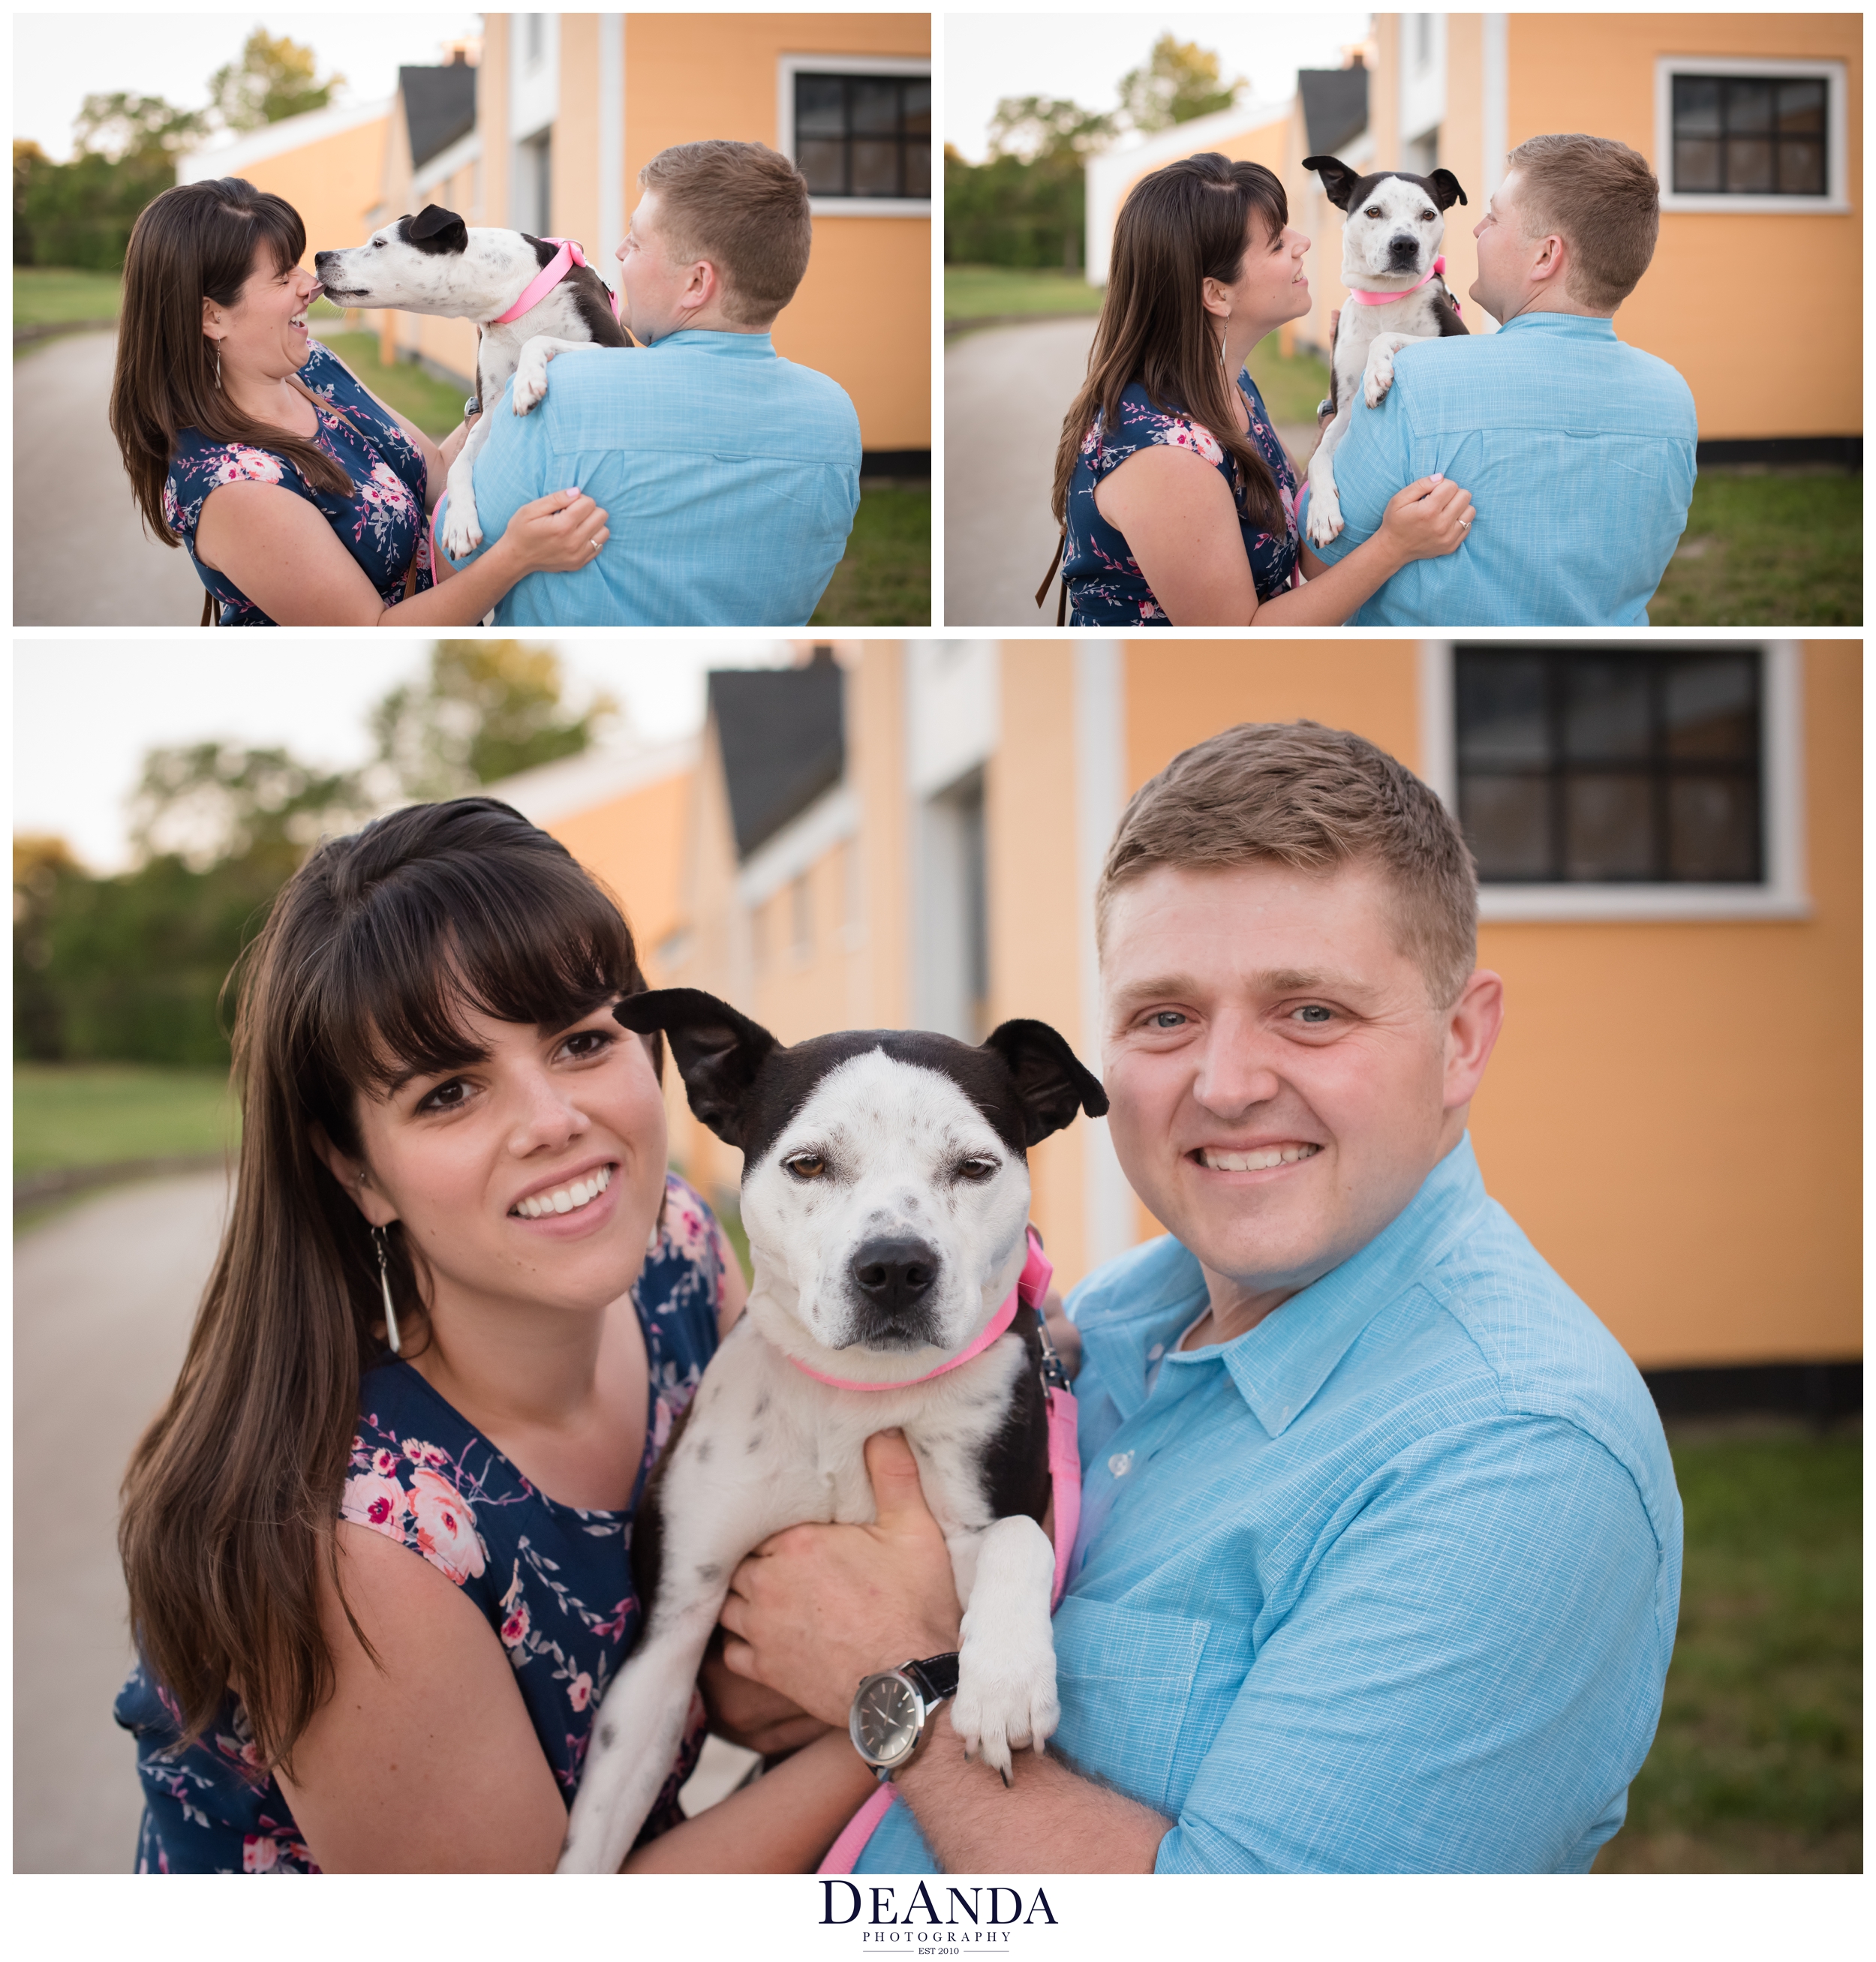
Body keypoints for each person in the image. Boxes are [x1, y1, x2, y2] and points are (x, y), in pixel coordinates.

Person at [711, 721, 1684, 1873]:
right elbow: (767, 1649)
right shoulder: (1097, 1320)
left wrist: (898, 1685)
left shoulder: (1515, 1456)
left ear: (1462, 1039)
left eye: (1312, 1010)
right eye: (1165, 1016)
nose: (1225, 1086)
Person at [113, 798, 877, 1872]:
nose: (552, 1118)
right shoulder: (363, 1540)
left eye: (581, 1040)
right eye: (450, 1090)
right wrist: (907, 1703)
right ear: (355, 1169)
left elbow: (751, 1660)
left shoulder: (679, 1256)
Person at [110, 178, 609, 628]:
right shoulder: (236, 487)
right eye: (284, 277)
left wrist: (509, 331)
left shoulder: (311, 368)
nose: (311, 284)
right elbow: (374, 634)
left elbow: (434, 474)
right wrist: (517, 557)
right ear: (212, 317)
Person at [434, 140, 861, 626]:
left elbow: (451, 566)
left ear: (698, 284)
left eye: (635, 242)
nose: (618, 252)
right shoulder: (837, 418)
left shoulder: (561, 392)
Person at [1046, 153, 1475, 627]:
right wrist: (1395, 546)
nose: (1304, 242)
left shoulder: (1231, 387)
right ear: (1218, 293)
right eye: (1276, 243)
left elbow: (1309, 544)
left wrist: (1340, 417)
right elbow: (1241, 638)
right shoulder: (1166, 455)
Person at [1304, 134, 1698, 625]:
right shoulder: (1674, 397)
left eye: (1492, 217)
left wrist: (1330, 427)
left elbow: (1320, 562)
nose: (1474, 229)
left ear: (1545, 256)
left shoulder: (1413, 380)